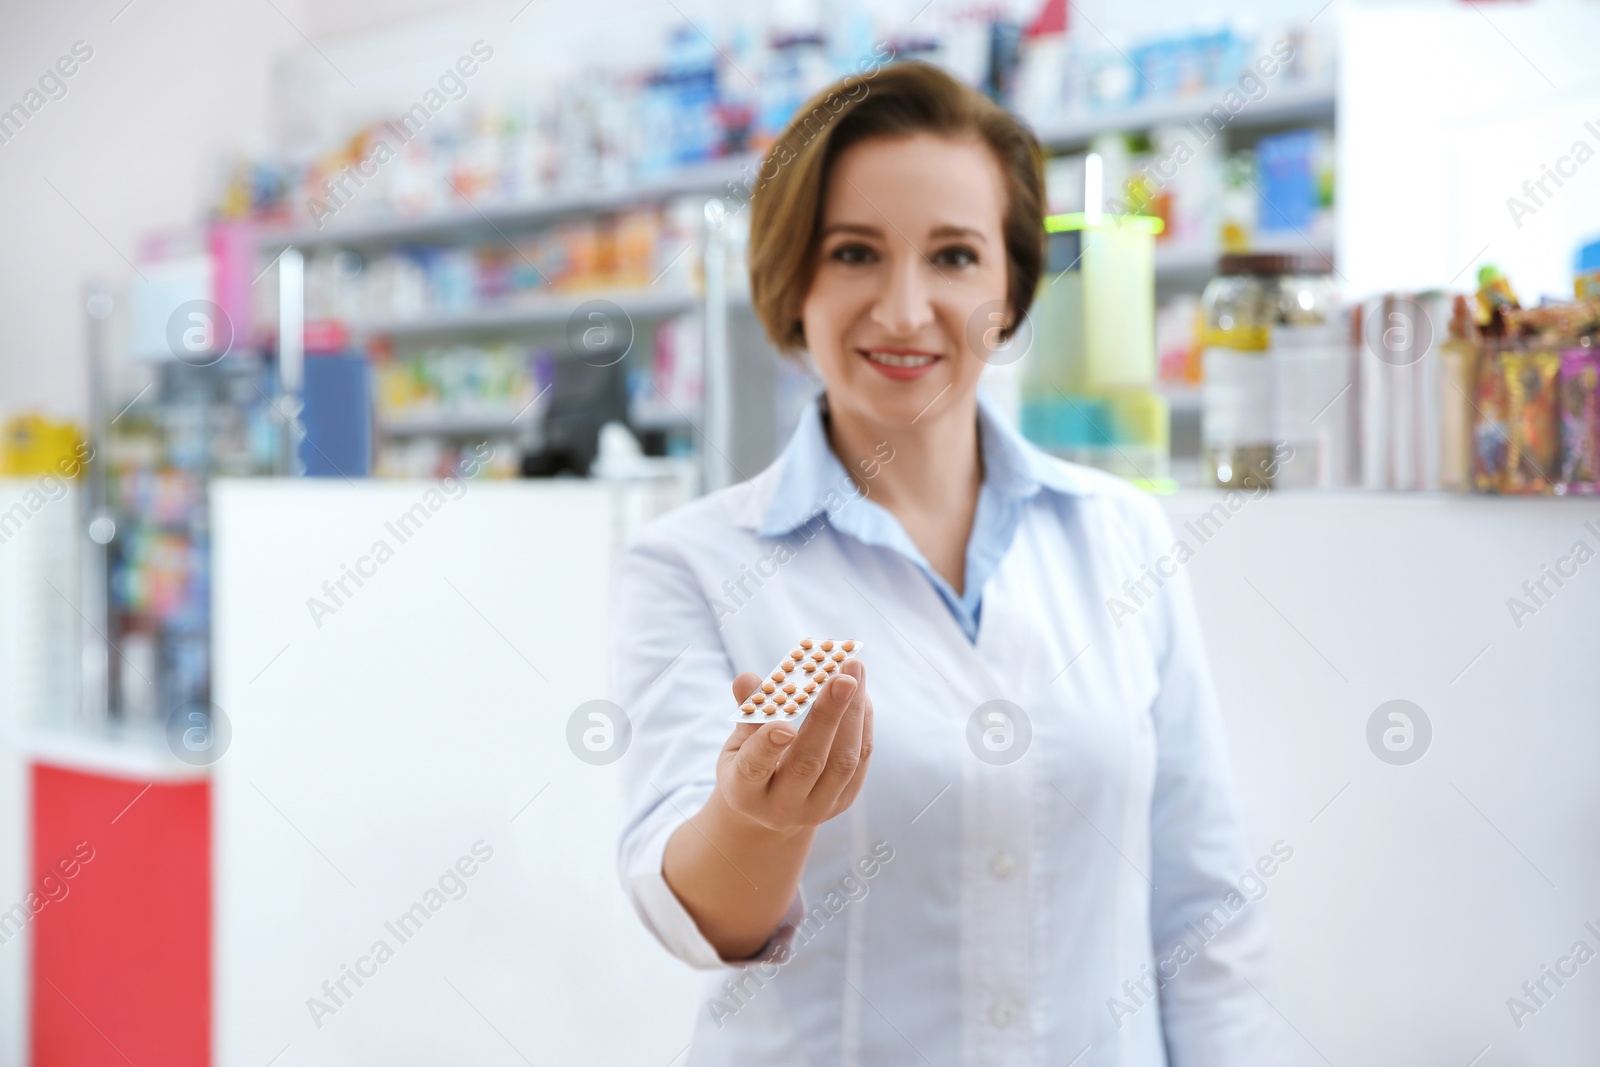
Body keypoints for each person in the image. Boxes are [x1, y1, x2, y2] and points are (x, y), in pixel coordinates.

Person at [614, 60, 1274, 1065]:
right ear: (793, 280)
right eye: (854, 252)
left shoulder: (1122, 535)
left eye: (955, 256)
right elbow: (695, 914)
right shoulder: (694, 563)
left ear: (1010, 290)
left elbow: (1204, 905)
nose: (906, 307)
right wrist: (753, 816)